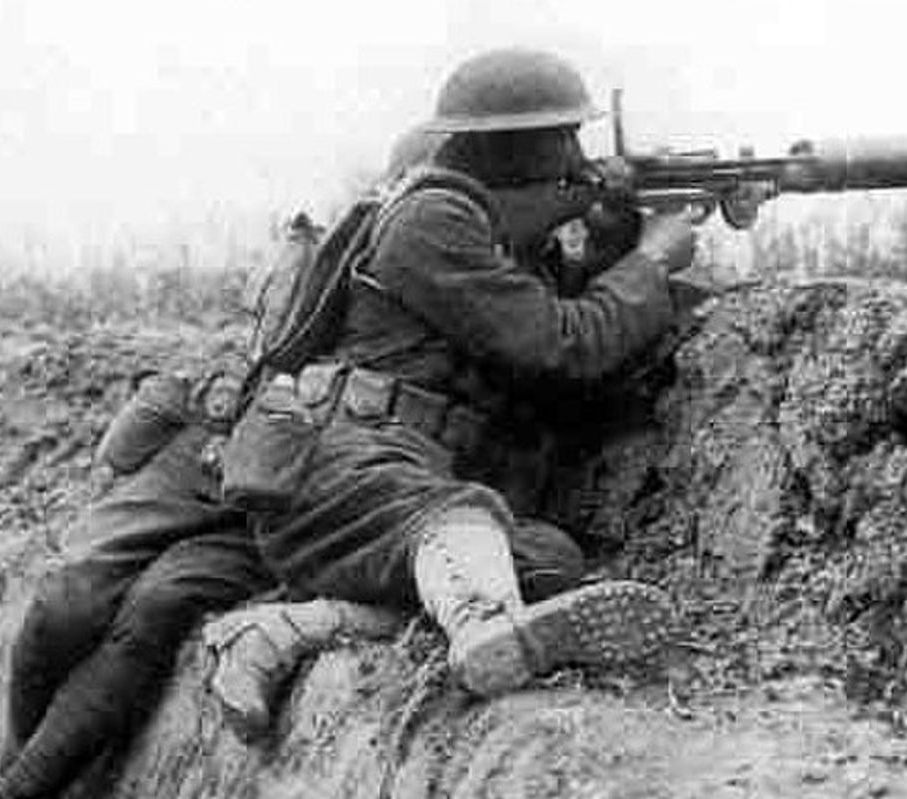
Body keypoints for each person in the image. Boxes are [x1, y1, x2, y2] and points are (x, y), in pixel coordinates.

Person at [205, 46, 700, 734]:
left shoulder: (501, 240)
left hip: (400, 483)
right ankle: (480, 625)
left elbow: (548, 328)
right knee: (452, 520)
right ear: (503, 145)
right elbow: (561, 345)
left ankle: (294, 627)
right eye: (562, 135)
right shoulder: (430, 222)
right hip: (342, 470)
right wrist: (650, 262)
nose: (576, 156)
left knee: (546, 562)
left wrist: (609, 243)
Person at [0, 127, 482, 799]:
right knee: (64, 603)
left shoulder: (462, 285)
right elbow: (248, 361)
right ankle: (14, 768)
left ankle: (22, 787)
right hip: (211, 454)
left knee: (158, 607)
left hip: (287, 485)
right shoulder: (338, 258)